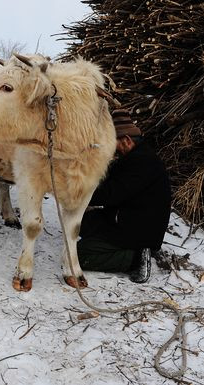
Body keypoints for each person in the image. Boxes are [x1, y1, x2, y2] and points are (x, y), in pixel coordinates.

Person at [77, 109, 171, 283]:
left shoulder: (142, 163)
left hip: (136, 230)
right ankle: (121, 249)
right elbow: (107, 181)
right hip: (123, 218)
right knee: (81, 223)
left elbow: (110, 194)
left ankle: (135, 258)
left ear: (126, 141)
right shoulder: (135, 157)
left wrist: (77, 193)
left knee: (78, 255)